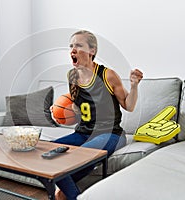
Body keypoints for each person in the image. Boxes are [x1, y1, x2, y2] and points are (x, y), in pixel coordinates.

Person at [51, 30, 143, 200]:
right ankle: (67, 193)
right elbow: (78, 109)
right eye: (71, 46)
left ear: (92, 51)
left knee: (77, 156)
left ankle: (66, 193)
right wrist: (61, 112)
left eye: (78, 45)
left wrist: (134, 86)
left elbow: (128, 106)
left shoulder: (108, 75)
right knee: (46, 153)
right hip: (82, 133)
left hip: (111, 134)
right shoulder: (72, 76)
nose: (73, 49)